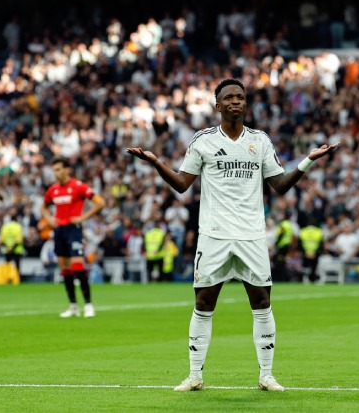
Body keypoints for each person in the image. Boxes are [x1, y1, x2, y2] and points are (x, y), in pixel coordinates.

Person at [126, 78, 339, 393]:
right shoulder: (203, 141)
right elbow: (183, 184)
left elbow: (279, 185)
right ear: (218, 105)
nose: (235, 101)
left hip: (252, 234)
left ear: (246, 103)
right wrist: (157, 163)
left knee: (262, 300)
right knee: (204, 300)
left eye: (240, 96)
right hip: (214, 234)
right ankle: (195, 375)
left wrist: (307, 160)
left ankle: (266, 375)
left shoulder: (260, 141)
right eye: (229, 97)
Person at [41, 156, 106, 318]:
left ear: (66, 169)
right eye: (54, 170)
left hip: (74, 230)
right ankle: (73, 306)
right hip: (59, 231)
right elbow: (44, 207)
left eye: (58, 169)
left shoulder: (78, 186)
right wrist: (49, 219)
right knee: (65, 269)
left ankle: (89, 305)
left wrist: (83, 217)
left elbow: (100, 203)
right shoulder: (53, 190)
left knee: (78, 267)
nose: (56, 173)